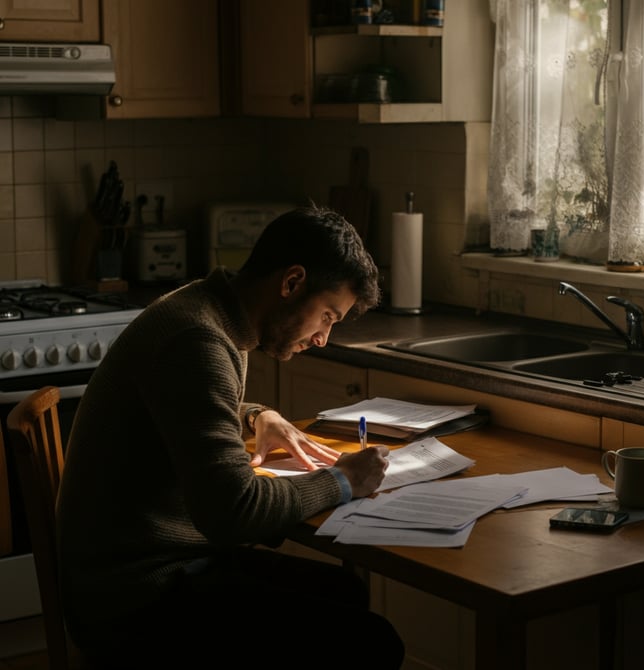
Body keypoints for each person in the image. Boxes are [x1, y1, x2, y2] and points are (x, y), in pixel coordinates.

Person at [56, 204, 405, 669]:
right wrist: (343, 481)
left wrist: (254, 415)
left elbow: (178, 403)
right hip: (137, 599)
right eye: (326, 316)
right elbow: (233, 512)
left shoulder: (205, 310)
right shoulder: (199, 340)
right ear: (292, 282)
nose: (323, 338)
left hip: (138, 568)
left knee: (343, 591)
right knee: (373, 643)